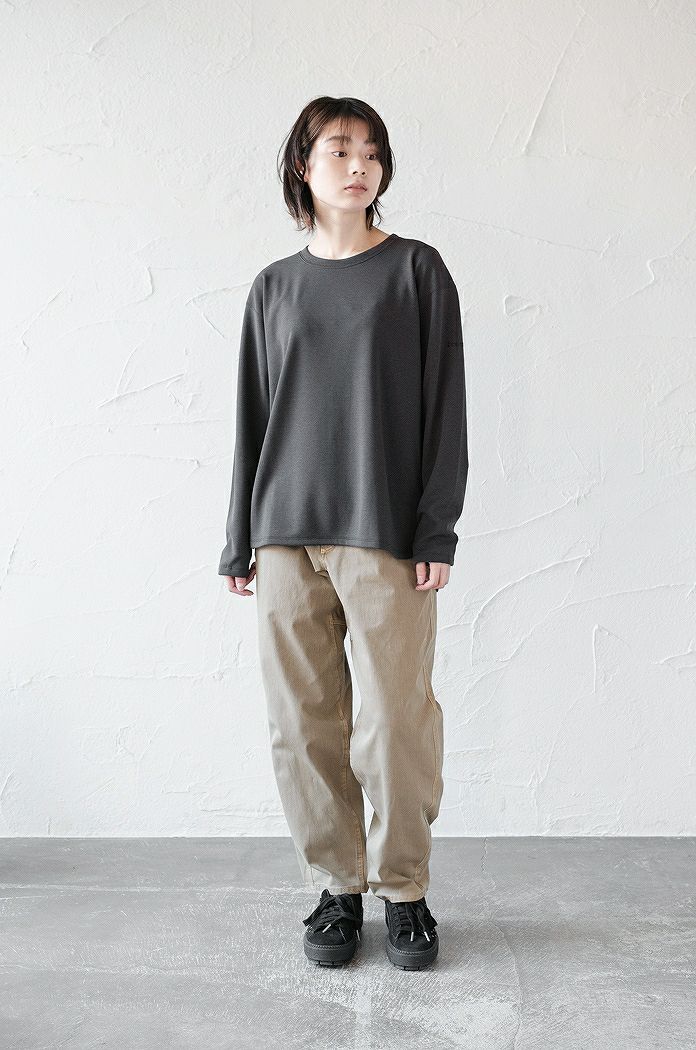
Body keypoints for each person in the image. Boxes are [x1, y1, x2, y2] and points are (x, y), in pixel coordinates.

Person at [218, 96, 468, 970]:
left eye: (371, 151)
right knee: (302, 722)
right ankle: (337, 887)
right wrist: (238, 539)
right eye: (338, 149)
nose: (358, 165)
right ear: (304, 166)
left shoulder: (416, 272)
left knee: (394, 718)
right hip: (284, 532)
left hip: (383, 530)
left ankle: (404, 889)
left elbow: (446, 409)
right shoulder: (273, 288)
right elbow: (252, 420)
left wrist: (437, 528)